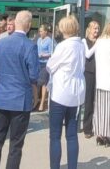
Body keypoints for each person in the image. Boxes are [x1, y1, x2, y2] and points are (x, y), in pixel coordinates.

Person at [0, 10, 39, 169]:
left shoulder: (1, 43)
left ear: (15, 23)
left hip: (1, 98)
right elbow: (34, 75)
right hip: (20, 101)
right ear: (29, 25)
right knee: (16, 144)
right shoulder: (30, 46)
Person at [46, 16, 85, 169]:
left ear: (63, 29)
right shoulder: (81, 45)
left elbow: (50, 65)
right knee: (72, 134)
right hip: (77, 93)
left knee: (55, 135)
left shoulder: (63, 46)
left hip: (61, 93)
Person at [81, 20, 100, 138]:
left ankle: (97, 126)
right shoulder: (84, 41)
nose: (97, 31)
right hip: (88, 73)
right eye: (95, 28)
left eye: (98, 28)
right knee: (88, 100)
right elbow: (87, 54)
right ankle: (87, 128)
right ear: (89, 29)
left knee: (97, 100)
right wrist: (97, 44)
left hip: (99, 73)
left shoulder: (99, 41)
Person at [35, 24, 54, 112]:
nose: (40, 33)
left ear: (46, 32)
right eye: (39, 31)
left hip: (46, 64)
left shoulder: (49, 41)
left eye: (41, 31)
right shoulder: (39, 40)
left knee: (44, 83)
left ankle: (42, 103)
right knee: (36, 82)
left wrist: (43, 55)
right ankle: (36, 101)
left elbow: (51, 53)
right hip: (38, 63)